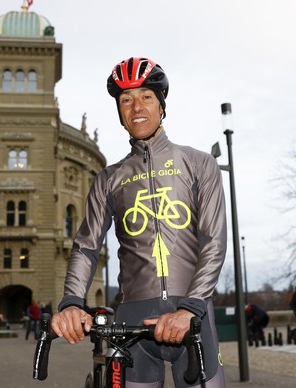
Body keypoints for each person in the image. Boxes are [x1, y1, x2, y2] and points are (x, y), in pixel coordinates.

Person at [51, 57, 227, 387]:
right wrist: (72, 303)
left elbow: (213, 242)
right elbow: (87, 247)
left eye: (146, 96)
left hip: (192, 317)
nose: (136, 107)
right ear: (119, 112)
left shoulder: (199, 164)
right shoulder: (109, 178)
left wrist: (189, 309)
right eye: (126, 100)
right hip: (132, 322)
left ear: (161, 105)